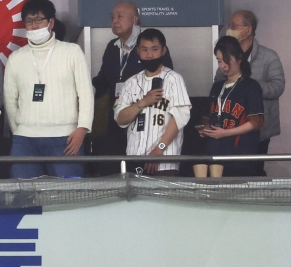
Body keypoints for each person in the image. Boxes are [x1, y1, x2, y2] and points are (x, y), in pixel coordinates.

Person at [4, 0, 93, 178]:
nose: (34, 26)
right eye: (29, 21)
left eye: (39, 20)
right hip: (25, 141)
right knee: (25, 196)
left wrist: (82, 129)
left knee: (69, 195)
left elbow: (86, 93)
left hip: (66, 138)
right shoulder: (15, 58)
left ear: (51, 22)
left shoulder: (72, 52)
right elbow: (10, 101)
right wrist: (21, 131)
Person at [91, 1, 173, 176]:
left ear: (135, 18)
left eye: (120, 16)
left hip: (146, 122)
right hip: (118, 119)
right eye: (112, 17)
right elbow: (103, 81)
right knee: (117, 175)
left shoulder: (150, 47)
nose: (115, 21)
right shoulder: (112, 48)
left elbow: (165, 82)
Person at [113, 29, 191, 176]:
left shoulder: (174, 79)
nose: (149, 55)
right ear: (138, 51)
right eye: (145, 50)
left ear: (163, 50)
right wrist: (143, 102)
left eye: (154, 49)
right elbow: (120, 119)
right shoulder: (131, 83)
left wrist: (159, 149)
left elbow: (180, 118)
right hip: (134, 157)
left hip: (165, 159)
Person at [219, 10, 284, 175]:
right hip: (231, 123)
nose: (229, 29)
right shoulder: (228, 54)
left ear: (248, 30)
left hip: (259, 128)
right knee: (232, 170)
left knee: (254, 170)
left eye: (233, 26)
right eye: (229, 26)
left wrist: (250, 88)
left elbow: (278, 86)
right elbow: (218, 82)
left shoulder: (269, 56)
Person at [200, 36, 265, 177]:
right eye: (219, 61)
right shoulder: (217, 87)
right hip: (214, 154)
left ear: (239, 58)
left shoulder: (251, 86)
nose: (222, 65)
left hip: (239, 156)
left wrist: (226, 133)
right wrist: (205, 129)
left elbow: (256, 122)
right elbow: (207, 117)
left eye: (226, 60)